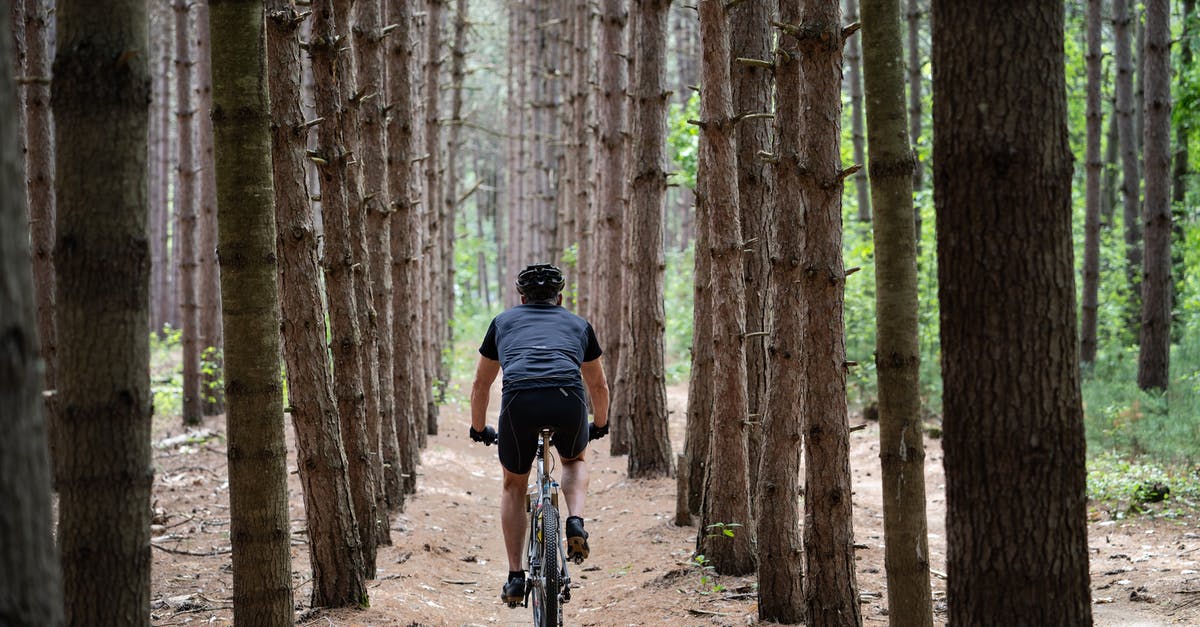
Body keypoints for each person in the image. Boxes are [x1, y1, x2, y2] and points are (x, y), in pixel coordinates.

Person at [468, 263, 610, 606]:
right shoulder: (578, 324)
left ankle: (516, 577)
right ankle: (575, 521)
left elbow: (481, 384)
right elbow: (598, 385)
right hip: (567, 398)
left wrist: (478, 428)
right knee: (574, 460)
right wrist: (601, 424)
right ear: (560, 297)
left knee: (514, 484)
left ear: (521, 297)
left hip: (520, 401)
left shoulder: (503, 322)